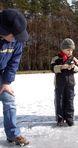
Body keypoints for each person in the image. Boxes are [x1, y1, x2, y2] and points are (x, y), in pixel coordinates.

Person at [0, 8, 29, 146]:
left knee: (9, 100)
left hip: (2, 73)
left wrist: (6, 81)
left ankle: (13, 134)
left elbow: (14, 61)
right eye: (14, 34)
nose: (17, 38)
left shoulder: (17, 41)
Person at [50, 38, 78, 126]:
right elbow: (52, 68)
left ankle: (69, 118)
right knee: (59, 101)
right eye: (68, 50)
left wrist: (73, 67)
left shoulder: (74, 59)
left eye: (71, 50)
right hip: (59, 84)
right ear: (62, 49)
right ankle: (60, 118)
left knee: (70, 100)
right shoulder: (56, 58)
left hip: (70, 84)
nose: (70, 52)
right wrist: (62, 67)